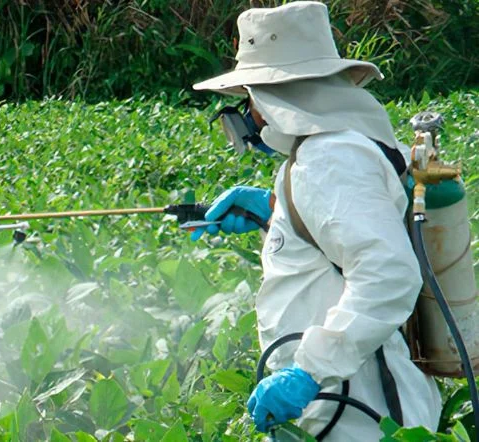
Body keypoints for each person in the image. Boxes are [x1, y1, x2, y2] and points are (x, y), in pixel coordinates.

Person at [190, 2, 441, 441]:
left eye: (248, 100)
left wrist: (307, 372)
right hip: (345, 400)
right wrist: (278, 217)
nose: (249, 117)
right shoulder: (333, 149)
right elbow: (344, 243)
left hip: (361, 409)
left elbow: (388, 273)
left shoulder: (329, 160)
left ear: (269, 96)